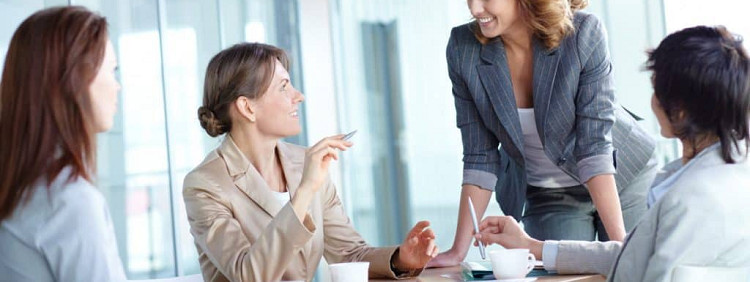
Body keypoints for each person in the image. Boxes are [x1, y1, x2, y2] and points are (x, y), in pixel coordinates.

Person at [475, 25, 750, 282]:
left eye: (656, 89)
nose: (652, 101)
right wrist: (532, 246)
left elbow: (648, 272)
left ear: (679, 111)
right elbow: (632, 255)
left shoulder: (693, 198)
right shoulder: (728, 173)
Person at [183, 42, 438, 281]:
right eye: (283, 87)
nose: (299, 96)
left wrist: (400, 260)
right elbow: (248, 274)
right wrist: (304, 191)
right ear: (247, 108)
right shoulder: (205, 184)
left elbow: (349, 254)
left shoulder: (303, 161)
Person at [430, 0, 659, 267]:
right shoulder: (463, 47)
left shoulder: (582, 32)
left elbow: (593, 145)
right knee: (558, 273)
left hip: (623, 177)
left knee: (632, 268)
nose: (475, 9)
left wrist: (621, 253)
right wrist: (458, 251)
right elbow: (479, 155)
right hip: (550, 193)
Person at [0, 6, 125, 281]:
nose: (118, 86)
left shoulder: (20, 189)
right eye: (112, 70)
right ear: (75, 80)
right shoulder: (69, 201)